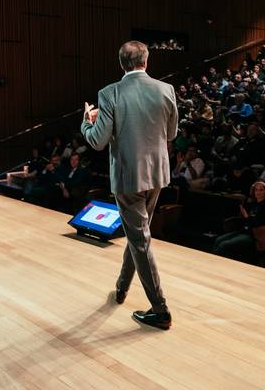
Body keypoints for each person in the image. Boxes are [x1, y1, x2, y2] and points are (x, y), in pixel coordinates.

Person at [81, 40, 178, 330]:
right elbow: (171, 134)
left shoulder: (109, 93)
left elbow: (97, 141)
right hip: (157, 175)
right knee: (138, 236)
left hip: (128, 178)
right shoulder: (166, 90)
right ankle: (122, 288)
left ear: (122, 64)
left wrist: (88, 122)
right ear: (146, 62)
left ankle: (160, 310)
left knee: (139, 238)